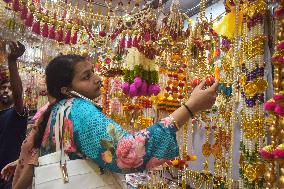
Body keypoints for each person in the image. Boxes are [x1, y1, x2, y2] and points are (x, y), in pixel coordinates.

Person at [16, 54, 218, 189]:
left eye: (93, 72)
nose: (97, 79)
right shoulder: (79, 110)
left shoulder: (51, 112)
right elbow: (129, 153)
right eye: (86, 77)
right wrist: (189, 108)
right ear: (66, 90)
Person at [0, 41, 27, 189]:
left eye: (9, 88)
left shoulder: (17, 114)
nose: (6, 90)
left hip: (9, 175)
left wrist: (12, 61)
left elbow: (18, 94)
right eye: (3, 87)